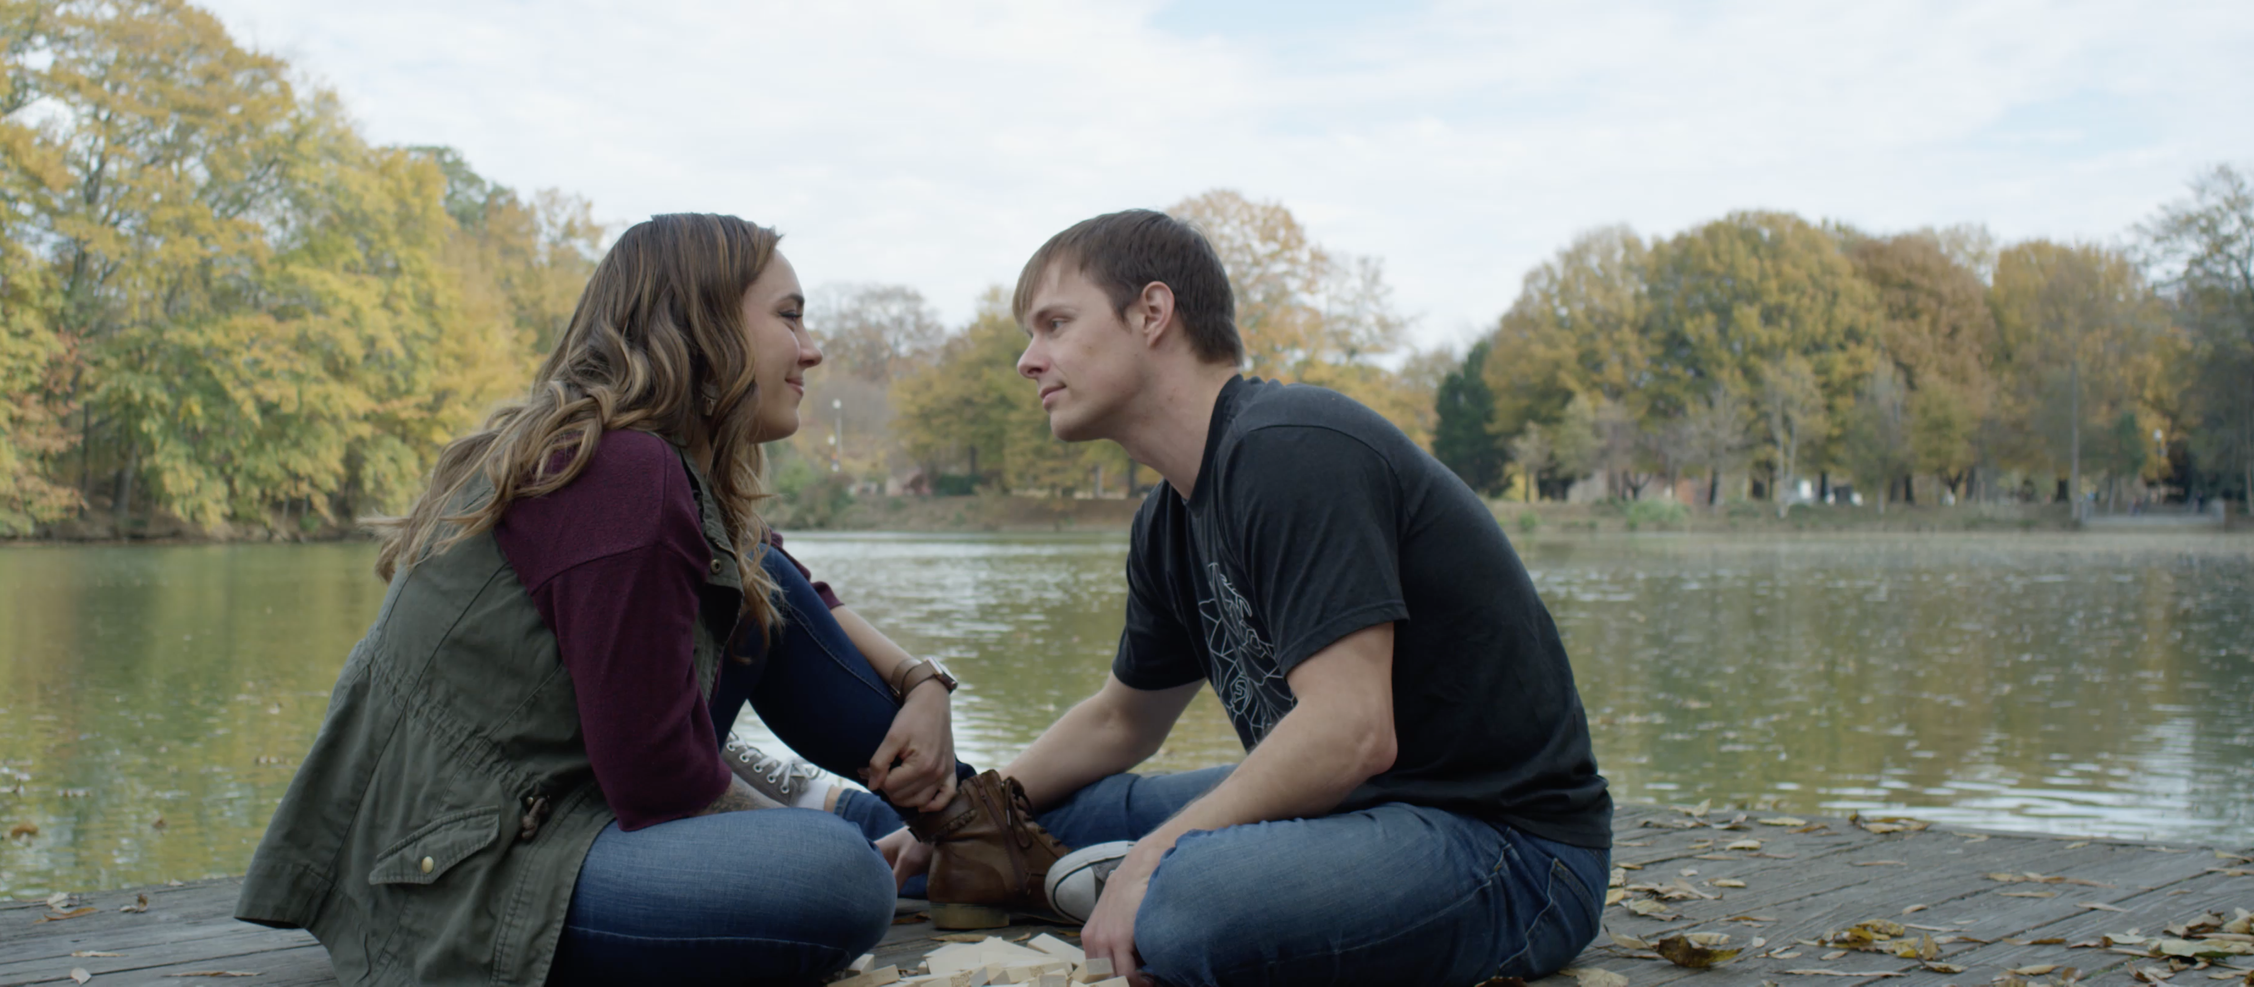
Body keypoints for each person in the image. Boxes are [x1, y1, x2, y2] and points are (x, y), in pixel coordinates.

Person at [865, 210, 1613, 987]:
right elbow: (1124, 717)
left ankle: (1144, 888)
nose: (1028, 359)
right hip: (1353, 811)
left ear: (1152, 313)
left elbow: (1352, 730)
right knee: (1012, 826)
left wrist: (1158, 856)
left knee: (1189, 899)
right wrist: (975, 807)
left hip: (1509, 849)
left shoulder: (1293, 447)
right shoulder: (1169, 518)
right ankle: (863, 831)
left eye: (1054, 323)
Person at [235, 214, 975, 986]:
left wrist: (925, 683)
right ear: (703, 320)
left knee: (760, 582)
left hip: (540, 827)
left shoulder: (637, 462)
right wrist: (808, 828)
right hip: (473, 877)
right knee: (840, 876)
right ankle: (932, 826)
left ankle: (967, 822)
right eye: (788, 315)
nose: (811, 347)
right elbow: (662, 787)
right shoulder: (623, 473)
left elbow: (782, 577)